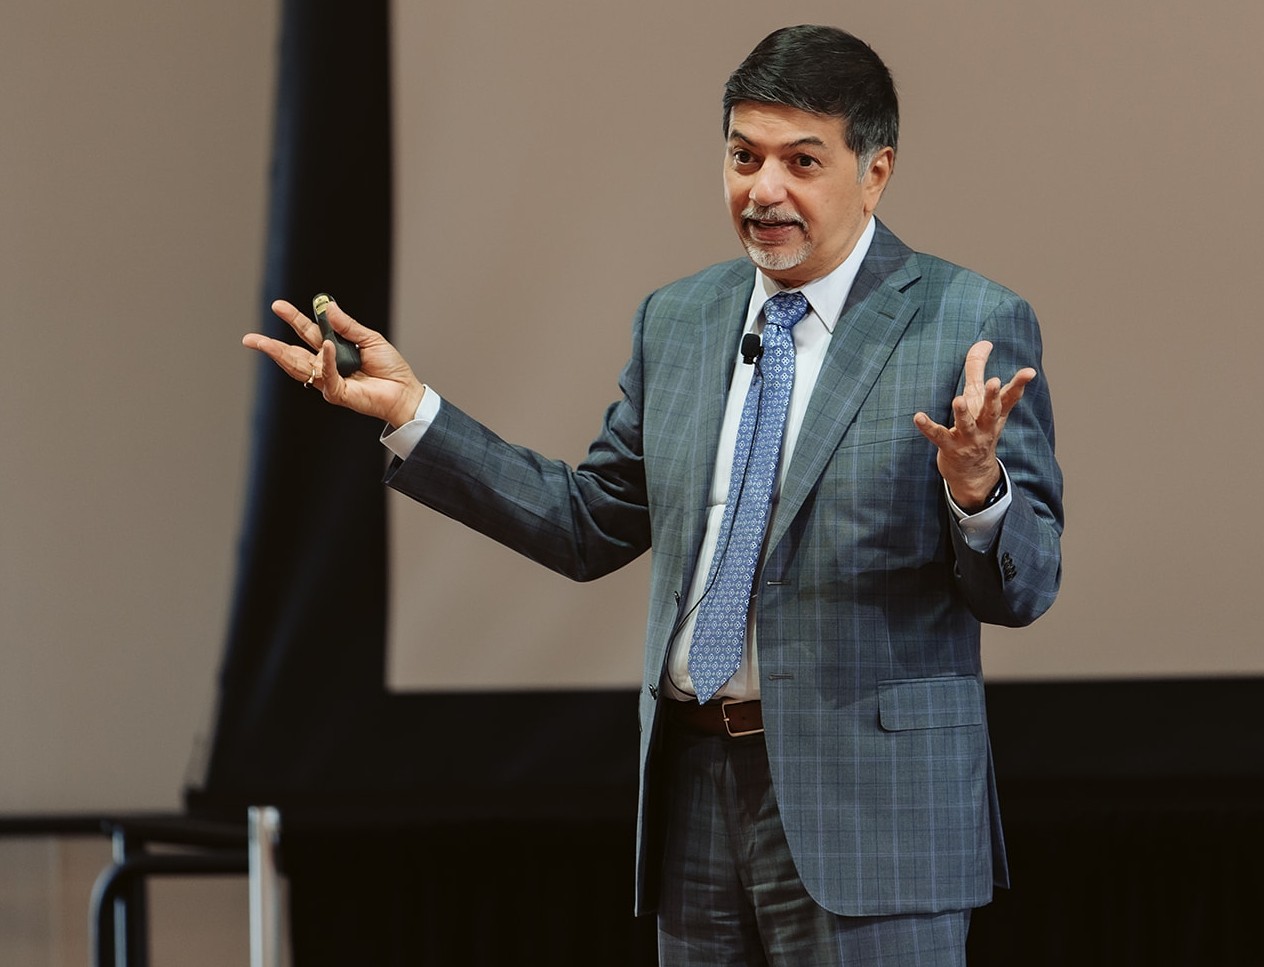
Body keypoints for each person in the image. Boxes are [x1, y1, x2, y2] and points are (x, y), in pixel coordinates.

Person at [244, 24, 1062, 966]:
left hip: (871, 814)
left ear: (875, 172)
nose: (765, 191)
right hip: (694, 790)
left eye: (803, 161)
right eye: (743, 155)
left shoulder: (965, 321)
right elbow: (588, 523)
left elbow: (1024, 587)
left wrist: (977, 489)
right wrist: (417, 413)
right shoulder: (680, 320)